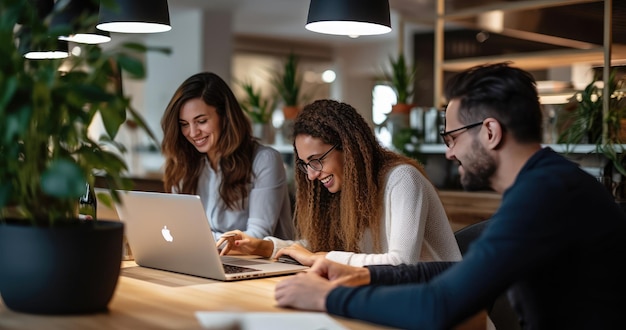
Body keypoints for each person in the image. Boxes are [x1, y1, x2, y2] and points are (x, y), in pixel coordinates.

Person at [273, 62, 626, 329]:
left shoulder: (544, 196)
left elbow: (439, 305)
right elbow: (455, 271)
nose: (448, 153)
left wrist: (329, 296)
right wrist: (369, 275)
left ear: (489, 131)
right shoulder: (546, 184)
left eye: (452, 137)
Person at [216, 99, 462, 267]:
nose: (311, 175)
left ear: (349, 148)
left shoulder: (402, 179)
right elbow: (320, 246)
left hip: (450, 315)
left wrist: (324, 258)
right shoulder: (345, 189)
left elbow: (401, 264)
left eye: (316, 160)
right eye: (305, 164)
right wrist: (263, 247)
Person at [160, 72, 294, 241]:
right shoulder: (185, 164)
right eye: (184, 124)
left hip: (258, 264)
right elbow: (178, 229)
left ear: (225, 117)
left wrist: (195, 239)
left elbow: (257, 237)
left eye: (201, 121)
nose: (193, 133)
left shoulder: (264, 160)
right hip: (207, 260)